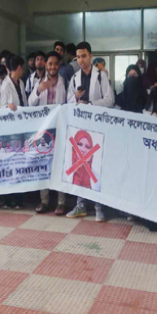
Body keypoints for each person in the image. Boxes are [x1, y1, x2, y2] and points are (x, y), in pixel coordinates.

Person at [66, 42, 113, 223]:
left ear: (90, 56)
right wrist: (76, 98)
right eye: (78, 57)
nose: (81, 60)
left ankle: (99, 207)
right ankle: (81, 205)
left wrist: (91, 105)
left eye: (84, 56)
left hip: (97, 127)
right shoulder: (75, 78)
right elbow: (68, 101)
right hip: (80, 129)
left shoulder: (101, 76)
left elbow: (110, 100)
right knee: (80, 166)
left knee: (96, 166)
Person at [29, 51, 68, 215]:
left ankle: (61, 202)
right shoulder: (38, 82)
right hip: (43, 129)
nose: (52, 67)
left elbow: (67, 103)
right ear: (46, 65)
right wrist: (38, 90)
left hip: (59, 127)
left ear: (59, 65)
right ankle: (44, 201)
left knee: (59, 164)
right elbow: (30, 103)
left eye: (55, 64)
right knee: (43, 164)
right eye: (50, 64)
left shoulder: (64, 82)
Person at [0, 55, 28, 209]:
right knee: (9, 164)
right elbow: (0, 107)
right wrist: (7, 107)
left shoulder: (21, 83)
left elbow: (25, 103)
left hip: (21, 127)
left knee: (19, 164)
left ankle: (18, 198)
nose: (23, 71)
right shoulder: (5, 85)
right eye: (22, 68)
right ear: (18, 68)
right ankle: (7, 199)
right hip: (9, 129)